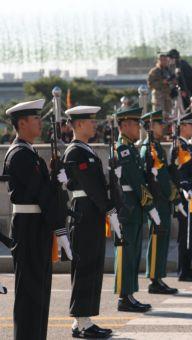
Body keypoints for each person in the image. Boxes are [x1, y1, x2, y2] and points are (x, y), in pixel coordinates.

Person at [2, 99, 71, 340]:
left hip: (36, 227)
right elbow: (39, 193)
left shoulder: (29, 153)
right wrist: (60, 228)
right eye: (35, 119)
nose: (40, 123)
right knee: (30, 295)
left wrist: (54, 178)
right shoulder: (20, 155)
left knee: (40, 292)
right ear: (22, 123)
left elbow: (42, 190)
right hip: (29, 228)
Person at [62, 106, 121, 338]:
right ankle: (82, 321)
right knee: (85, 265)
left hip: (91, 212)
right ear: (77, 125)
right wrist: (109, 209)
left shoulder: (86, 150)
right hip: (84, 212)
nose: (94, 124)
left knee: (93, 264)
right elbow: (92, 187)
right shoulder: (75, 152)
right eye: (89, 121)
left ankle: (82, 320)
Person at [114, 106, 162, 312]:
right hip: (128, 206)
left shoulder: (130, 147)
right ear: (125, 125)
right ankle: (124, 297)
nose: (138, 129)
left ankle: (130, 295)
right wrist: (150, 205)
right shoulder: (122, 149)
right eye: (135, 124)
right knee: (126, 253)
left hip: (133, 206)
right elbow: (134, 180)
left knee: (133, 253)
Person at [140, 110, 179, 295]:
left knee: (162, 239)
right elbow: (156, 177)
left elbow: (165, 173)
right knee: (157, 239)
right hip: (156, 200)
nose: (162, 126)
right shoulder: (148, 147)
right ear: (150, 126)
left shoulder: (156, 145)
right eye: (159, 123)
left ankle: (159, 277)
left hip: (163, 200)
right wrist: (173, 195)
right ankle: (154, 279)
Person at [169, 113, 192, 282]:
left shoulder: (186, 145)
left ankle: (186, 268)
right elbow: (179, 173)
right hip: (185, 198)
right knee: (186, 235)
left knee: (189, 234)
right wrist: (186, 190)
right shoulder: (178, 145)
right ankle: (184, 270)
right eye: (191, 125)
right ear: (182, 126)